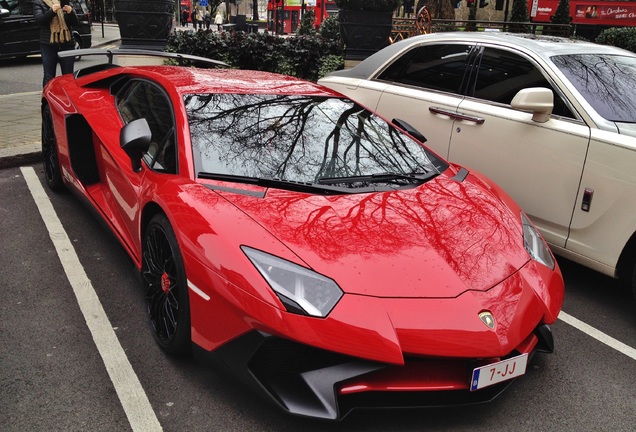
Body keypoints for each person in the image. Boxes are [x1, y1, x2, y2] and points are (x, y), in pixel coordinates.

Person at [33, 0, 78, 87]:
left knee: (68, 75)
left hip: (67, 44)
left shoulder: (65, 2)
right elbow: (40, 20)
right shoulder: (39, 2)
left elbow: (75, 22)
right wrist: (51, 12)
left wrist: (70, 12)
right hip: (48, 45)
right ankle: (46, 99)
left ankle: (67, 99)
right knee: (49, 75)